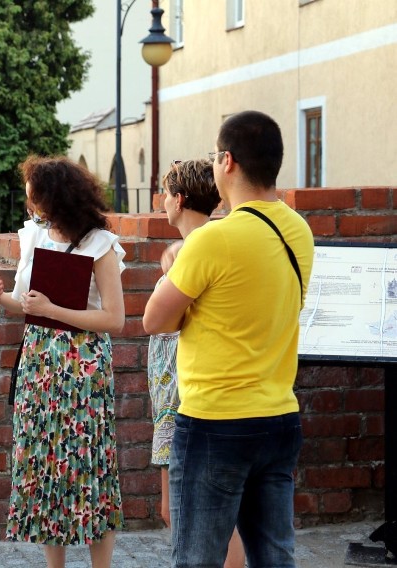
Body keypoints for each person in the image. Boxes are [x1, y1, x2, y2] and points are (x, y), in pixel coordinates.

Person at [143, 110, 315, 568]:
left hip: (214, 422)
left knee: (197, 558)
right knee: (275, 557)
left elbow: (153, 320)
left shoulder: (210, 241)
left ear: (228, 161)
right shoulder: (298, 230)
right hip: (279, 416)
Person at [0, 155, 127, 568]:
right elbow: (27, 305)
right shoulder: (36, 237)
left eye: (35, 199)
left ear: (55, 198)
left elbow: (114, 319)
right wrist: (2, 298)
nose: (31, 208)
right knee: (44, 462)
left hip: (82, 370)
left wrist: (54, 310)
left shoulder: (99, 245)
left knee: (90, 462)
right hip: (39, 365)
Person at [146, 159, 244, 568]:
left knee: (195, 516)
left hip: (188, 400)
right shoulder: (210, 244)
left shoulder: (193, 253)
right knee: (217, 514)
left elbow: (159, 325)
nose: (162, 201)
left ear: (180, 199)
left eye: (167, 193)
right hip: (188, 399)